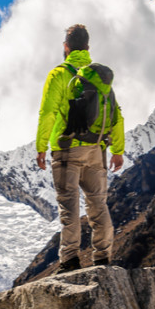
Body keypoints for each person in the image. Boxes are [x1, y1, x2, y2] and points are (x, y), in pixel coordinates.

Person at [36, 24, 125, 272]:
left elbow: (47, 112)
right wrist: (118, 150)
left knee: (69, 206)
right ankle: (103, 258)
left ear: (65, 47)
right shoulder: (99, 77)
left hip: (66, 150)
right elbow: (116, 114)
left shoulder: (59, 74)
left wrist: (41, 146)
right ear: (87, 48)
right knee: (98, 205)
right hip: (96, 150)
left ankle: (70, 260)